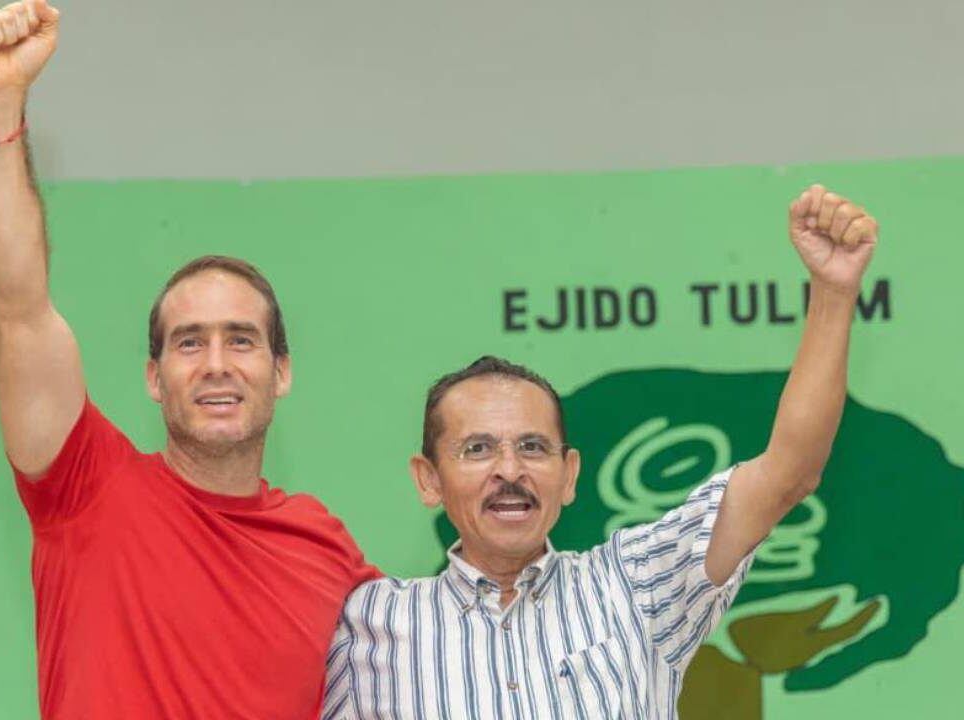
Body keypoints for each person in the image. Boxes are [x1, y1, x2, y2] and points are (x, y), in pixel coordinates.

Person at [323, 186, 879, 719]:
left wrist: (832, 293)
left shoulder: (635, 586)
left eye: (533, 447)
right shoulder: (368, 623)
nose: (510, 471)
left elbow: (788, 475)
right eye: (477, 449)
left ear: (568, 475)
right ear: (428, 480)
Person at [0, 2, 378, 717]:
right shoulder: (84, 487)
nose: (216, 363)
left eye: (240, 339)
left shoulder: (325, 546)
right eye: (190, 342)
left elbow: (445, 650)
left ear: (281, 371)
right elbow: (18, 309)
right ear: (155, 379)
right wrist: (2, 103)